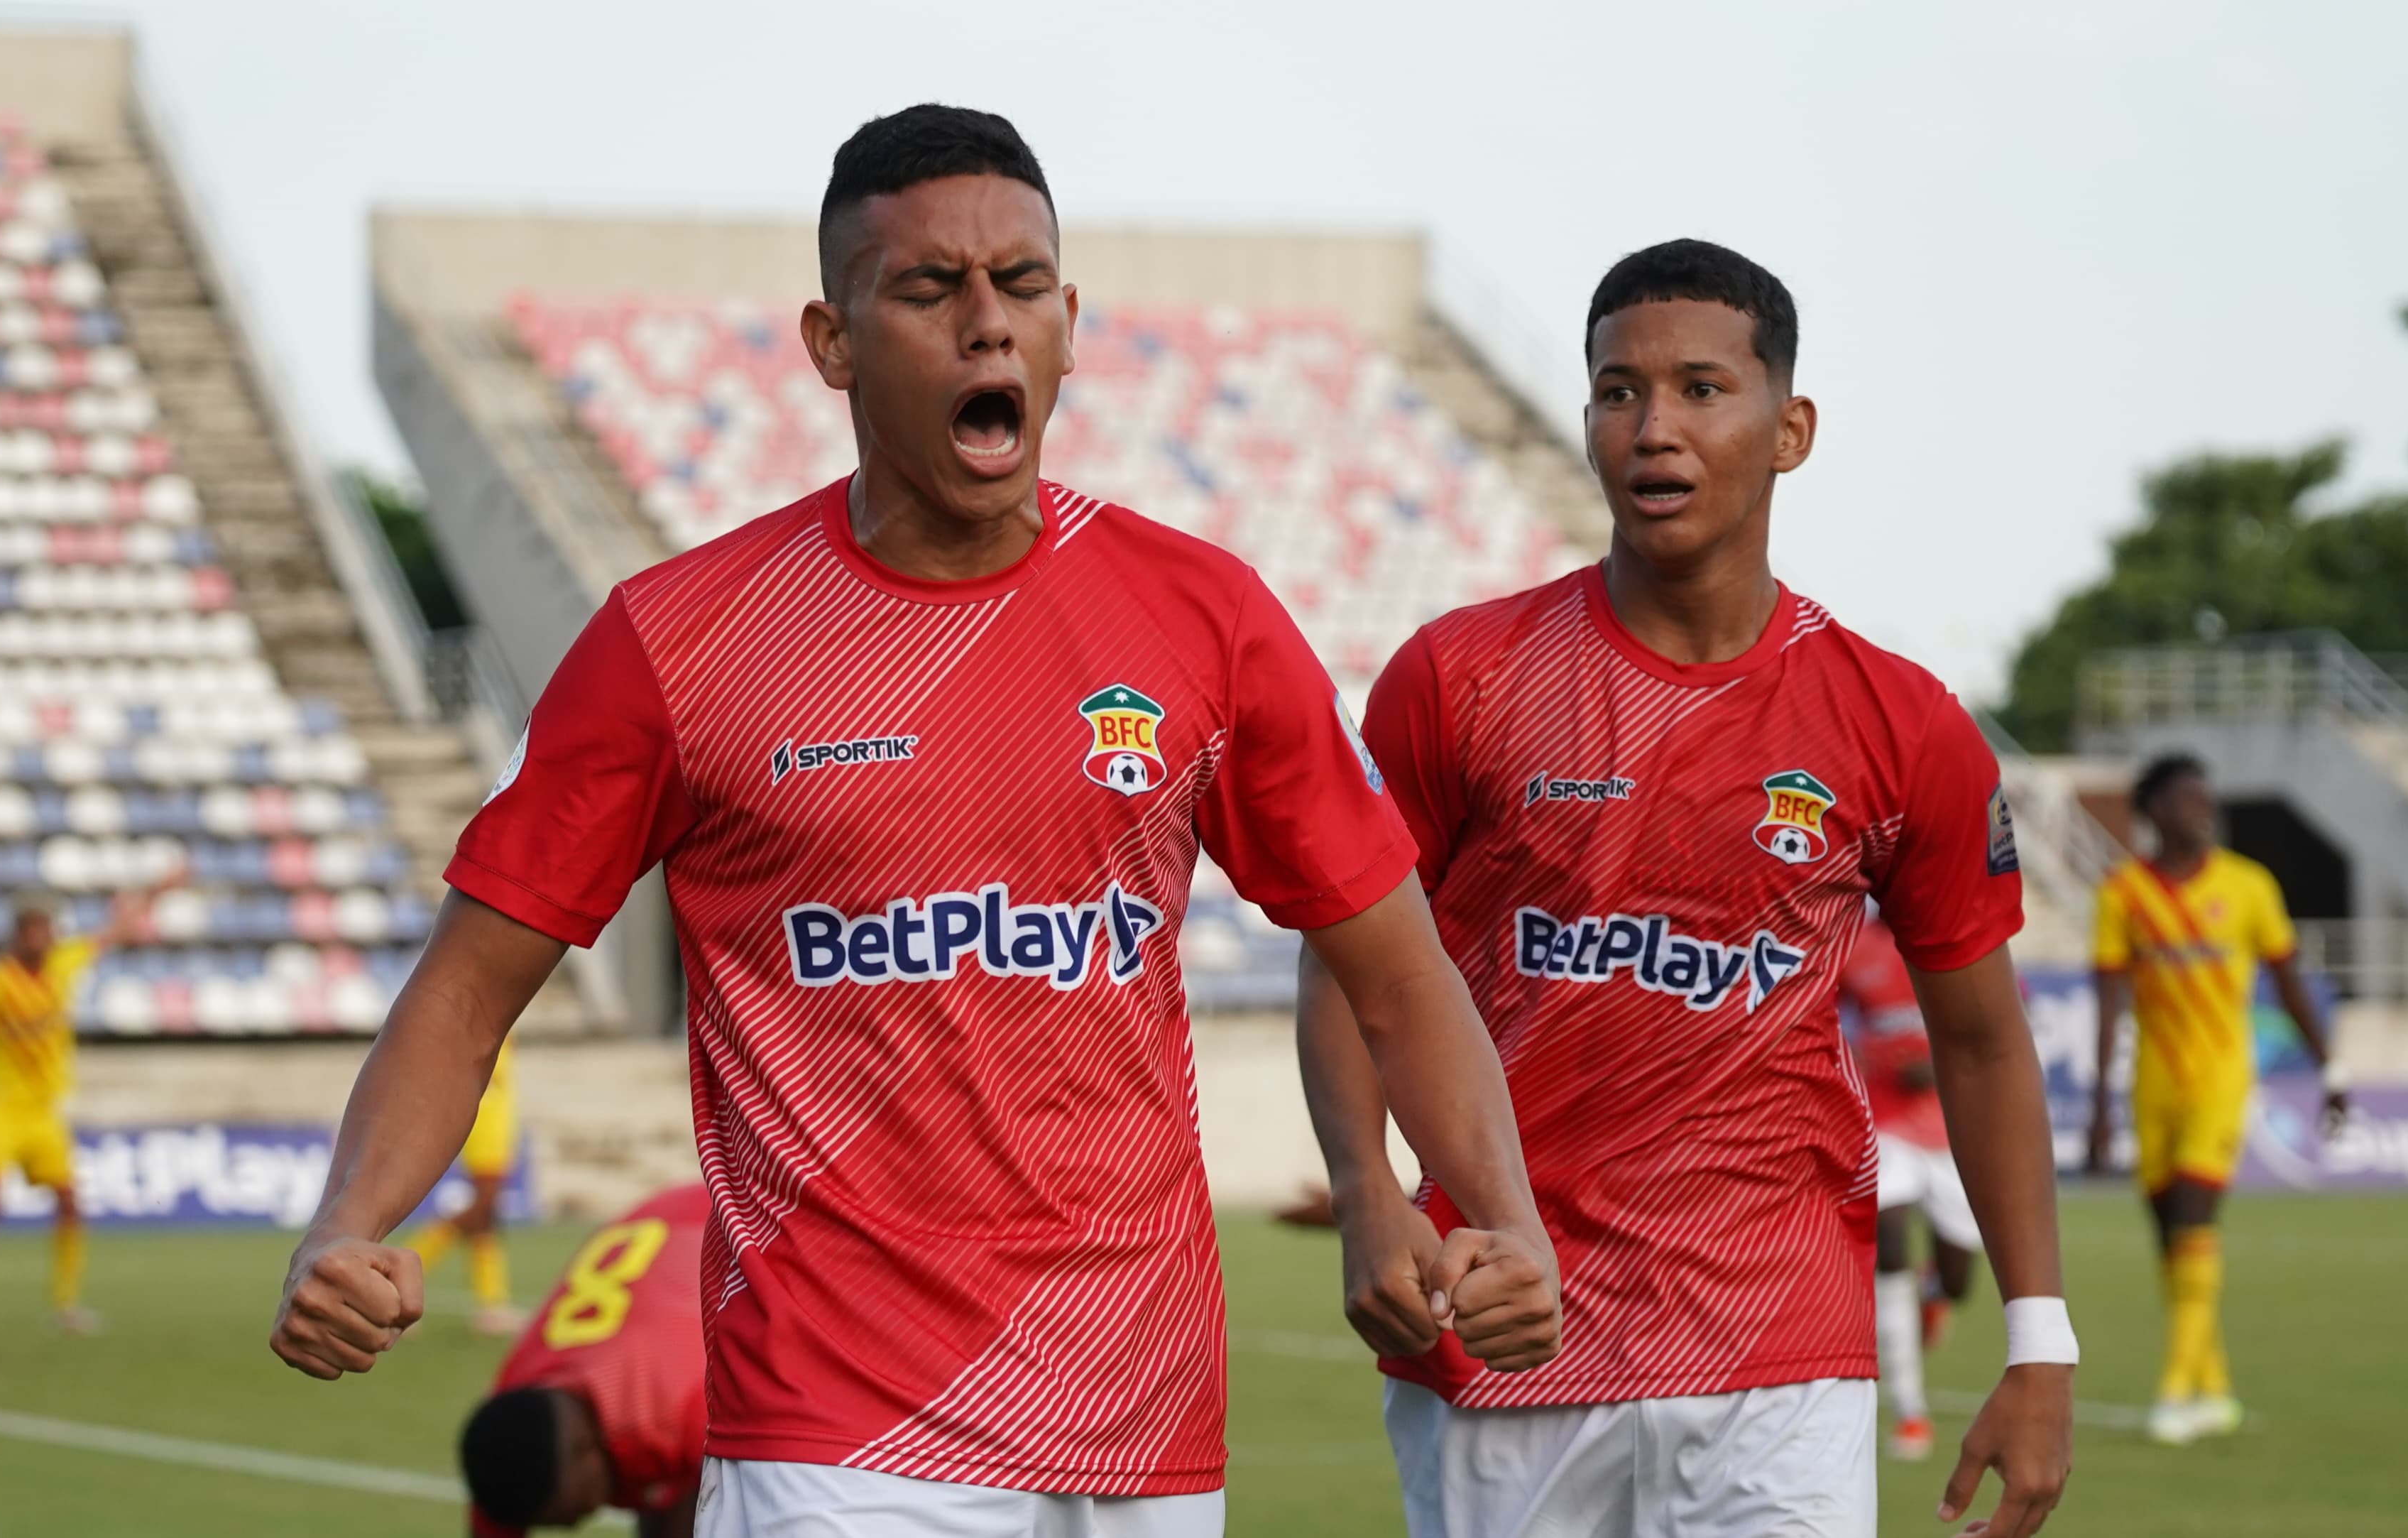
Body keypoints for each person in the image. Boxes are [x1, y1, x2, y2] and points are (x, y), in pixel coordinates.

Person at [270, 104, 1565, 1538]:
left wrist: (1494, 1212)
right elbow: (463, 994)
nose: (985, 327)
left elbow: (1397, 972)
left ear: (1070, 324)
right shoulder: (677, 644)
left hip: (1141, 1419)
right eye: (929, 290)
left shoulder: (1208, 622)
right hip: (838, 1434)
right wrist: (349, 1226)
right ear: (832, 343)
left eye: (1019, 287)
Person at [1298, 239, 2076, 1538]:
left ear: (1791, 428)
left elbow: (1986, 1044)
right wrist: (1369, 1192)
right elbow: (1352, 958)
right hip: (1507, 1325)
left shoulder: (1901, 723)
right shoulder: (1459, 678)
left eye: (1702, 388)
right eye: (1617, 391)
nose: (1653, 427)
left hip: (1777, 1344)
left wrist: (2038, 1340)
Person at [2086, 753, 2343, 1446]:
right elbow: (2107, 1004)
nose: (2204, 811)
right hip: (2152, 1086)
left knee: (2196, 1215)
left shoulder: (2248, 885)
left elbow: (2289, 983)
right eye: (2188, 801)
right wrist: (2099, 1109)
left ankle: (2173, 1391)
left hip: (2221, 1081)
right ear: (2153, 813)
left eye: (2207, 799)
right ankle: (2215, 1387)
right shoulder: (2121, 895)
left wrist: (2331, 1069)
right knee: (2171, 1237)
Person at [0, 866, 184, 1334]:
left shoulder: (65, 962)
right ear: (17, 933)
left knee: (70, 1201)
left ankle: (66, 1305)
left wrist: (157, 890)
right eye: (32, 928)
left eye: (46, 928)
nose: (40, 936)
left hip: (44, 1111)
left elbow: (119, 931)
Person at [460, 1182, 708, 1538]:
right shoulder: (513, 1423)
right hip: (660, 1228)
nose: (574, 1528)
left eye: (574, 1513)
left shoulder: (681, 1411)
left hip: (741, 1216)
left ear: (586, 1452)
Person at [1840, 903, 1983, 1462]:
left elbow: (1995, 1025)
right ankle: (1910, 1412)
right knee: (1890, 1247)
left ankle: (1934, 1297)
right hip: (1885, 1125)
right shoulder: (1857, 948)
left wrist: (1944, 1067)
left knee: (1958, 1277)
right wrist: (1863, 1058)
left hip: (1950, 1131)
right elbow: (1824, 1020)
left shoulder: (1953, 938)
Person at [407, 1033, 525, 1335]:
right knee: (484, 1204)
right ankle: (402, 1272)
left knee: (487, 1213)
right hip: (486, 1108)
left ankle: (491, 1305)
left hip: (497, 1104)